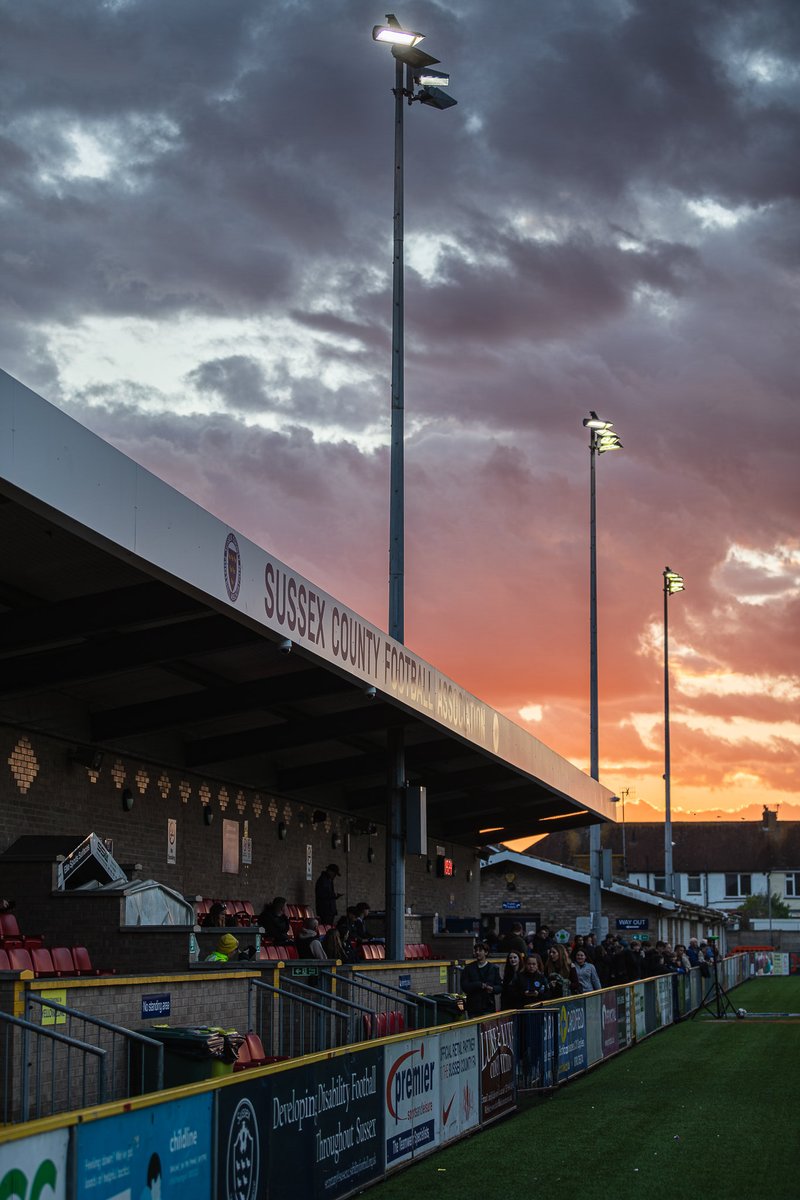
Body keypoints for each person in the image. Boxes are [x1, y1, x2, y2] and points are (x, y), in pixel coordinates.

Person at [461, 941, 501, 1017]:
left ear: (486, 952)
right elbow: (464, 986)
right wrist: (479, 985)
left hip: (488, 1005)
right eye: (476, 950)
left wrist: (492, 989)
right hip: (473, 1007)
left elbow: (500, 986)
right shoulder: (469, 968)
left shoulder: (493, 968)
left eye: (480, 950)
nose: (477, 952)